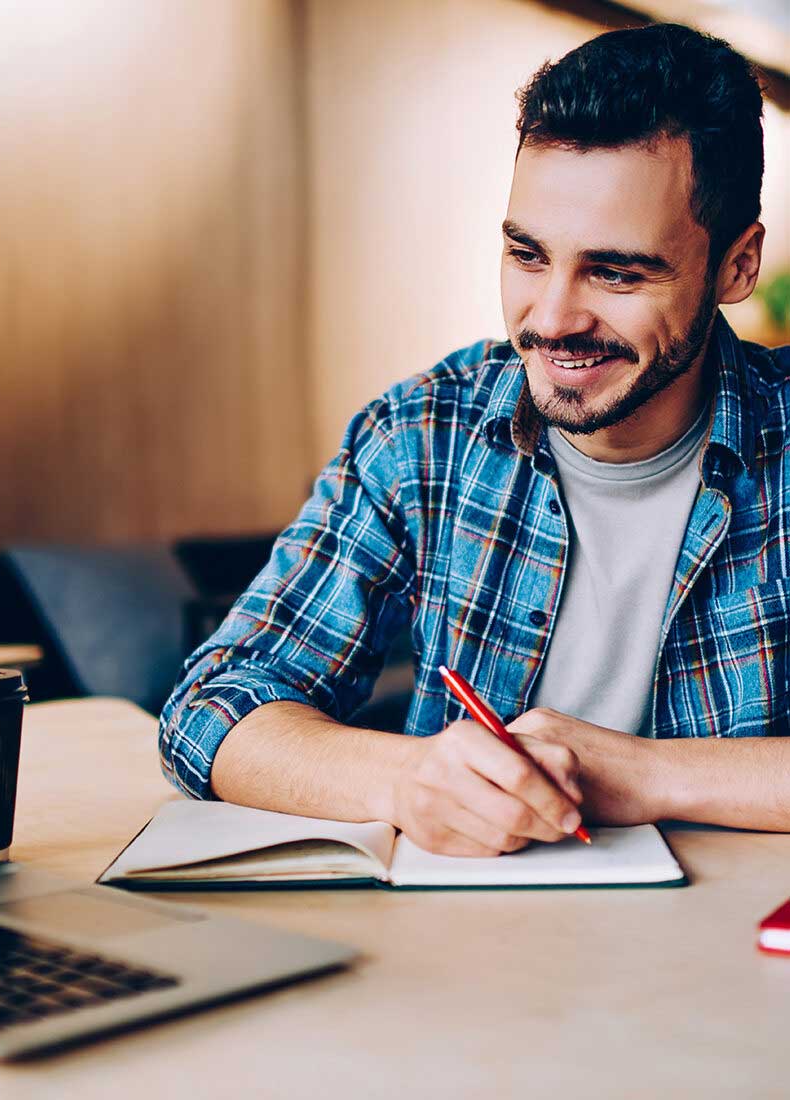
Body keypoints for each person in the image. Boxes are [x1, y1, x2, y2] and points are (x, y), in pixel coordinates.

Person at [159, 23, 790, 857]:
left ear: (738, 267)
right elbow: (212, 707)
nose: (554, 319)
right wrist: (408, 779)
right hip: (470, 957)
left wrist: (646, 774)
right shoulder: (426, 435)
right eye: (528, 256)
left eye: (617, 272)